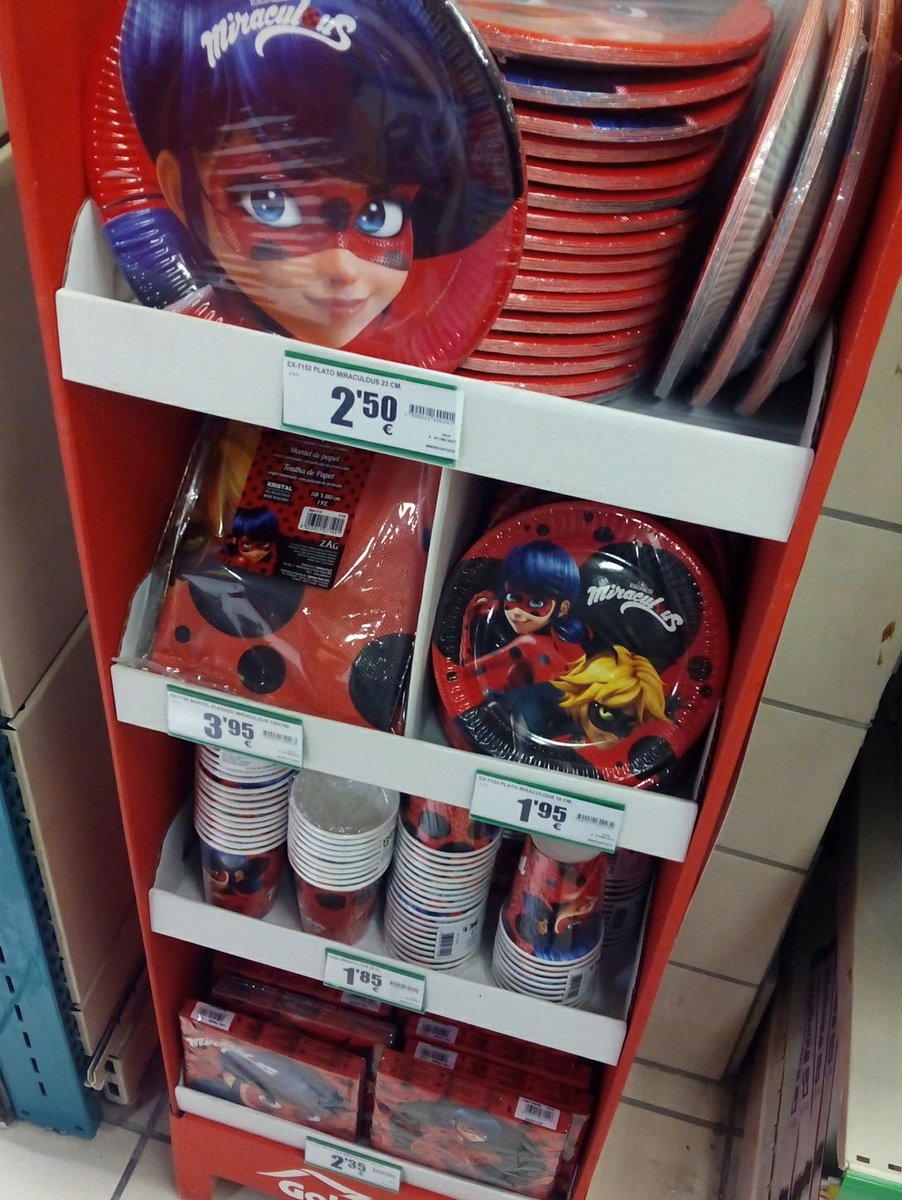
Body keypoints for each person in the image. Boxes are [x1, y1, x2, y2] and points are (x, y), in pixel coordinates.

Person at [95, 0, 524, 365]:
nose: (341, 268)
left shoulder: (416, 325)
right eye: (271, 204)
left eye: (379, 213)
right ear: (177, 189)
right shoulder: (199, 312)